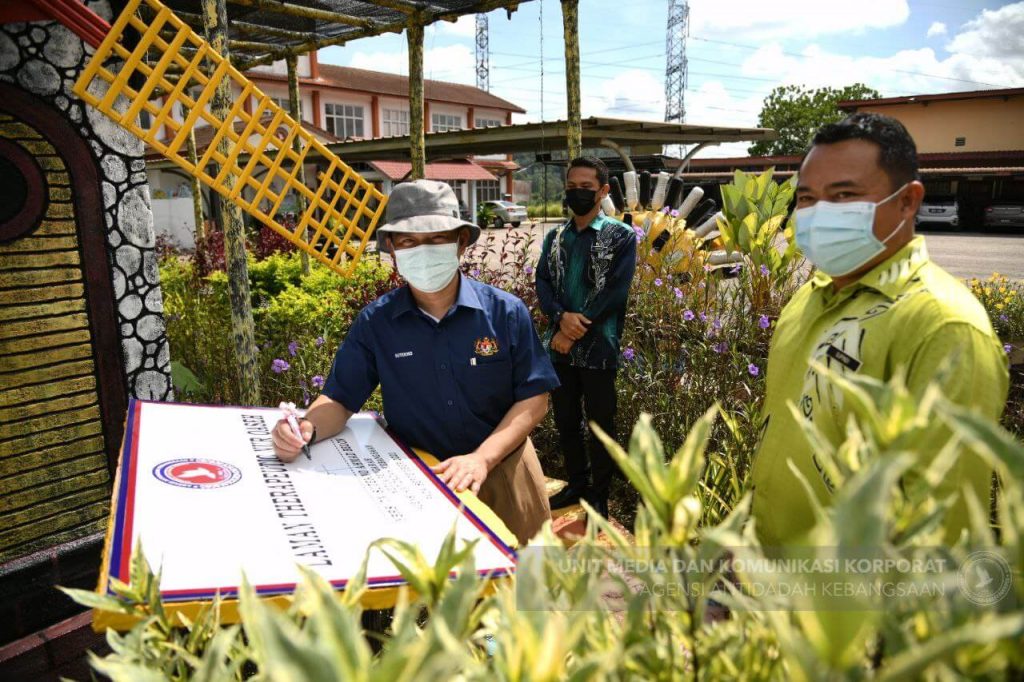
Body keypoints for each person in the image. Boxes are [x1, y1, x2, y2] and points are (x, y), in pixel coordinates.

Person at [752, 113, 1009, 547]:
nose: (818, 214)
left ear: (908, 201)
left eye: (844, 195)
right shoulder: (809, 299)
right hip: (766, 581)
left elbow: (943, 521)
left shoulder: (944, 326)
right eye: (807, 198)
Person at [272, 180, 560, 545]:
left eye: (436, 238)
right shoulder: (377, 323)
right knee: (444, 594)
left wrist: (482, 459)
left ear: (460, 242)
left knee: (525, 583)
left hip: (505, 470)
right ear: (391, 248)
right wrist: (304, 429)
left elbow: (535, 398)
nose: (422, 250)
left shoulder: (504, 313)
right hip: (423, 481)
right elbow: (341, 399)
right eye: (408, 241)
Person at [535, 156, 637, 517]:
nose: (577, 194)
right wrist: (561, 318)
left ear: (604, 191)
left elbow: (614, 292)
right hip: (559, 351)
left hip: (599, 350)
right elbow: (543, 282)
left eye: (586, 188)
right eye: (572, 187)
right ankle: (577, 486)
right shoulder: (555, 237)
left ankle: (600, 497)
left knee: (600, 426)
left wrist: (574, 330)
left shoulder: (621, 237)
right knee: (566, 422)